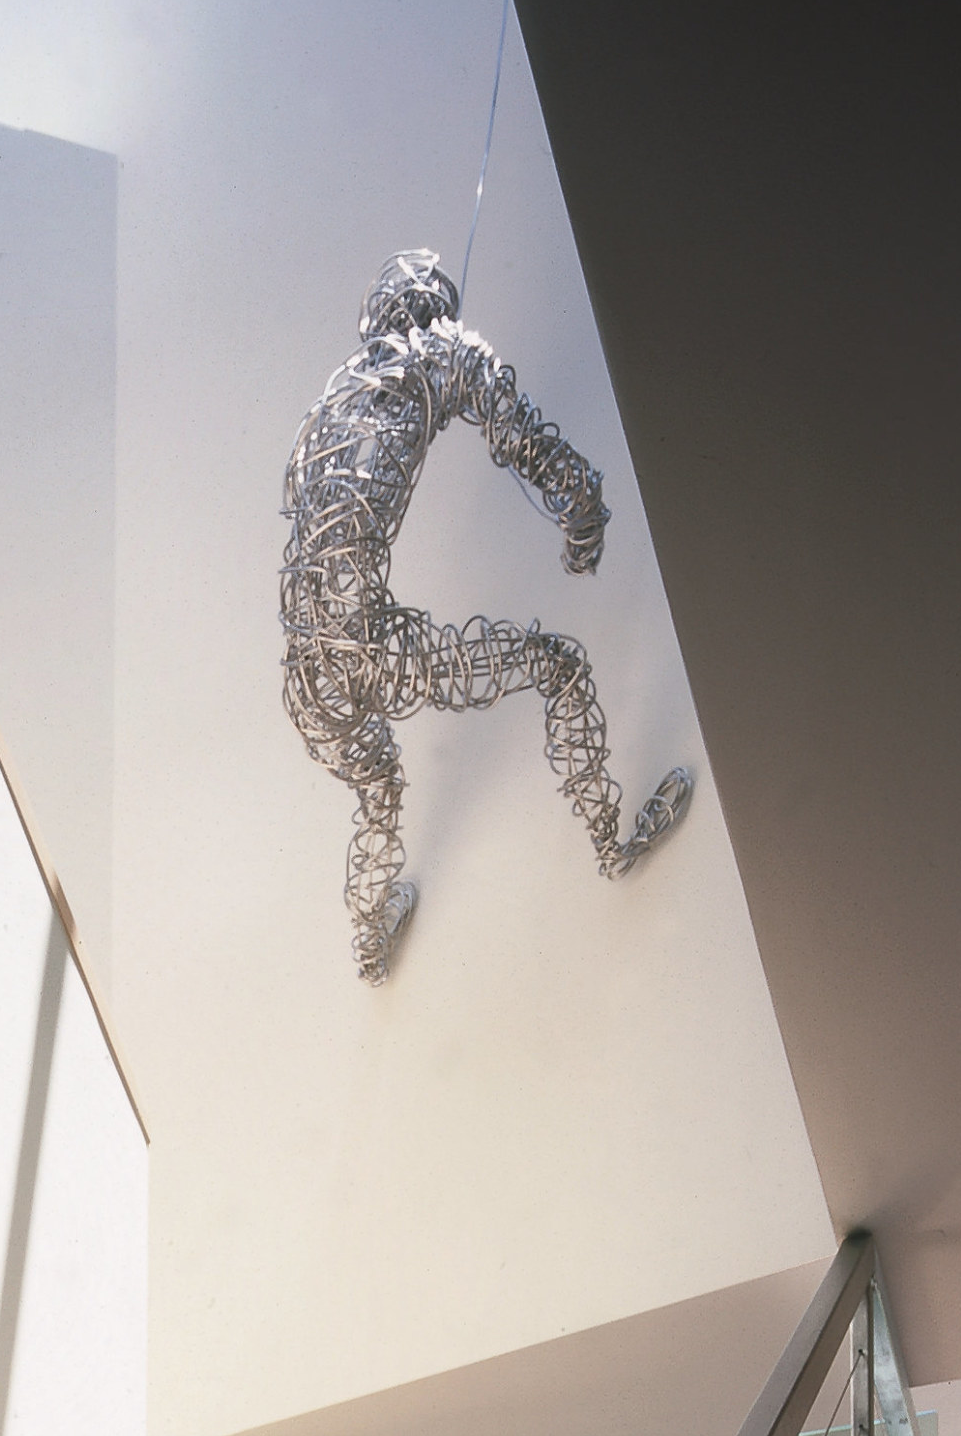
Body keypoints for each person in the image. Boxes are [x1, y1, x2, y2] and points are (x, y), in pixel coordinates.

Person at [280, 250, 696, 978]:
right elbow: (532, 445)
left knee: (377, 785)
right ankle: (613, 846)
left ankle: (371, 943)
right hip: (372, 652)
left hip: (306, 675)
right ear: (433, 306)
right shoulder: (441, 350)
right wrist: (585, 520)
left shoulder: (331, 405)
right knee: (558, 667)